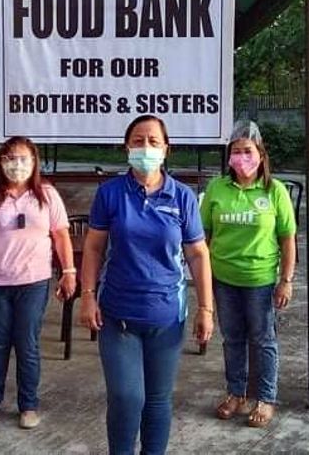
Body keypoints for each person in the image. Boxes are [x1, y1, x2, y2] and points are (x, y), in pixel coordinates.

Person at [78, 115, 214, 455]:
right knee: (126, 397)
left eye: (154, 141)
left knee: (157, 400)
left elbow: (198, 254)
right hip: (118, 315)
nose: (146, 148)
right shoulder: (110, 193)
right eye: (138, 141)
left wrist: (206, 308)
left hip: (167, 318)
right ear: (127, 147)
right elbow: (93, 247)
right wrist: (87, 295)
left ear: (166, 149)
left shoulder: (182, 197)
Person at [0, 136, 76, 430]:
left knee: (28, 344)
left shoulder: (46, 194)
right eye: (10, 158)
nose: (17, 164)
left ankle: (29, 405)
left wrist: (69, 270)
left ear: (35, 162)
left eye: (24, 158)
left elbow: (60, 234)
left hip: (33, 282)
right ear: (0, 163)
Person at [199, 121, 297, 427]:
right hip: (224, 279)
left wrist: (286, 280)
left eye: (247, 151)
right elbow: (203, 235)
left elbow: (288, 238)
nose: (242, 157)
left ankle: (265, 399)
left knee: (263, 339)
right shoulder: (217, 188)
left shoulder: (274, 190)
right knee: (232, 339)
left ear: (261, 154)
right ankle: (236, 393)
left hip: (260, 280)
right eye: (236, 151)